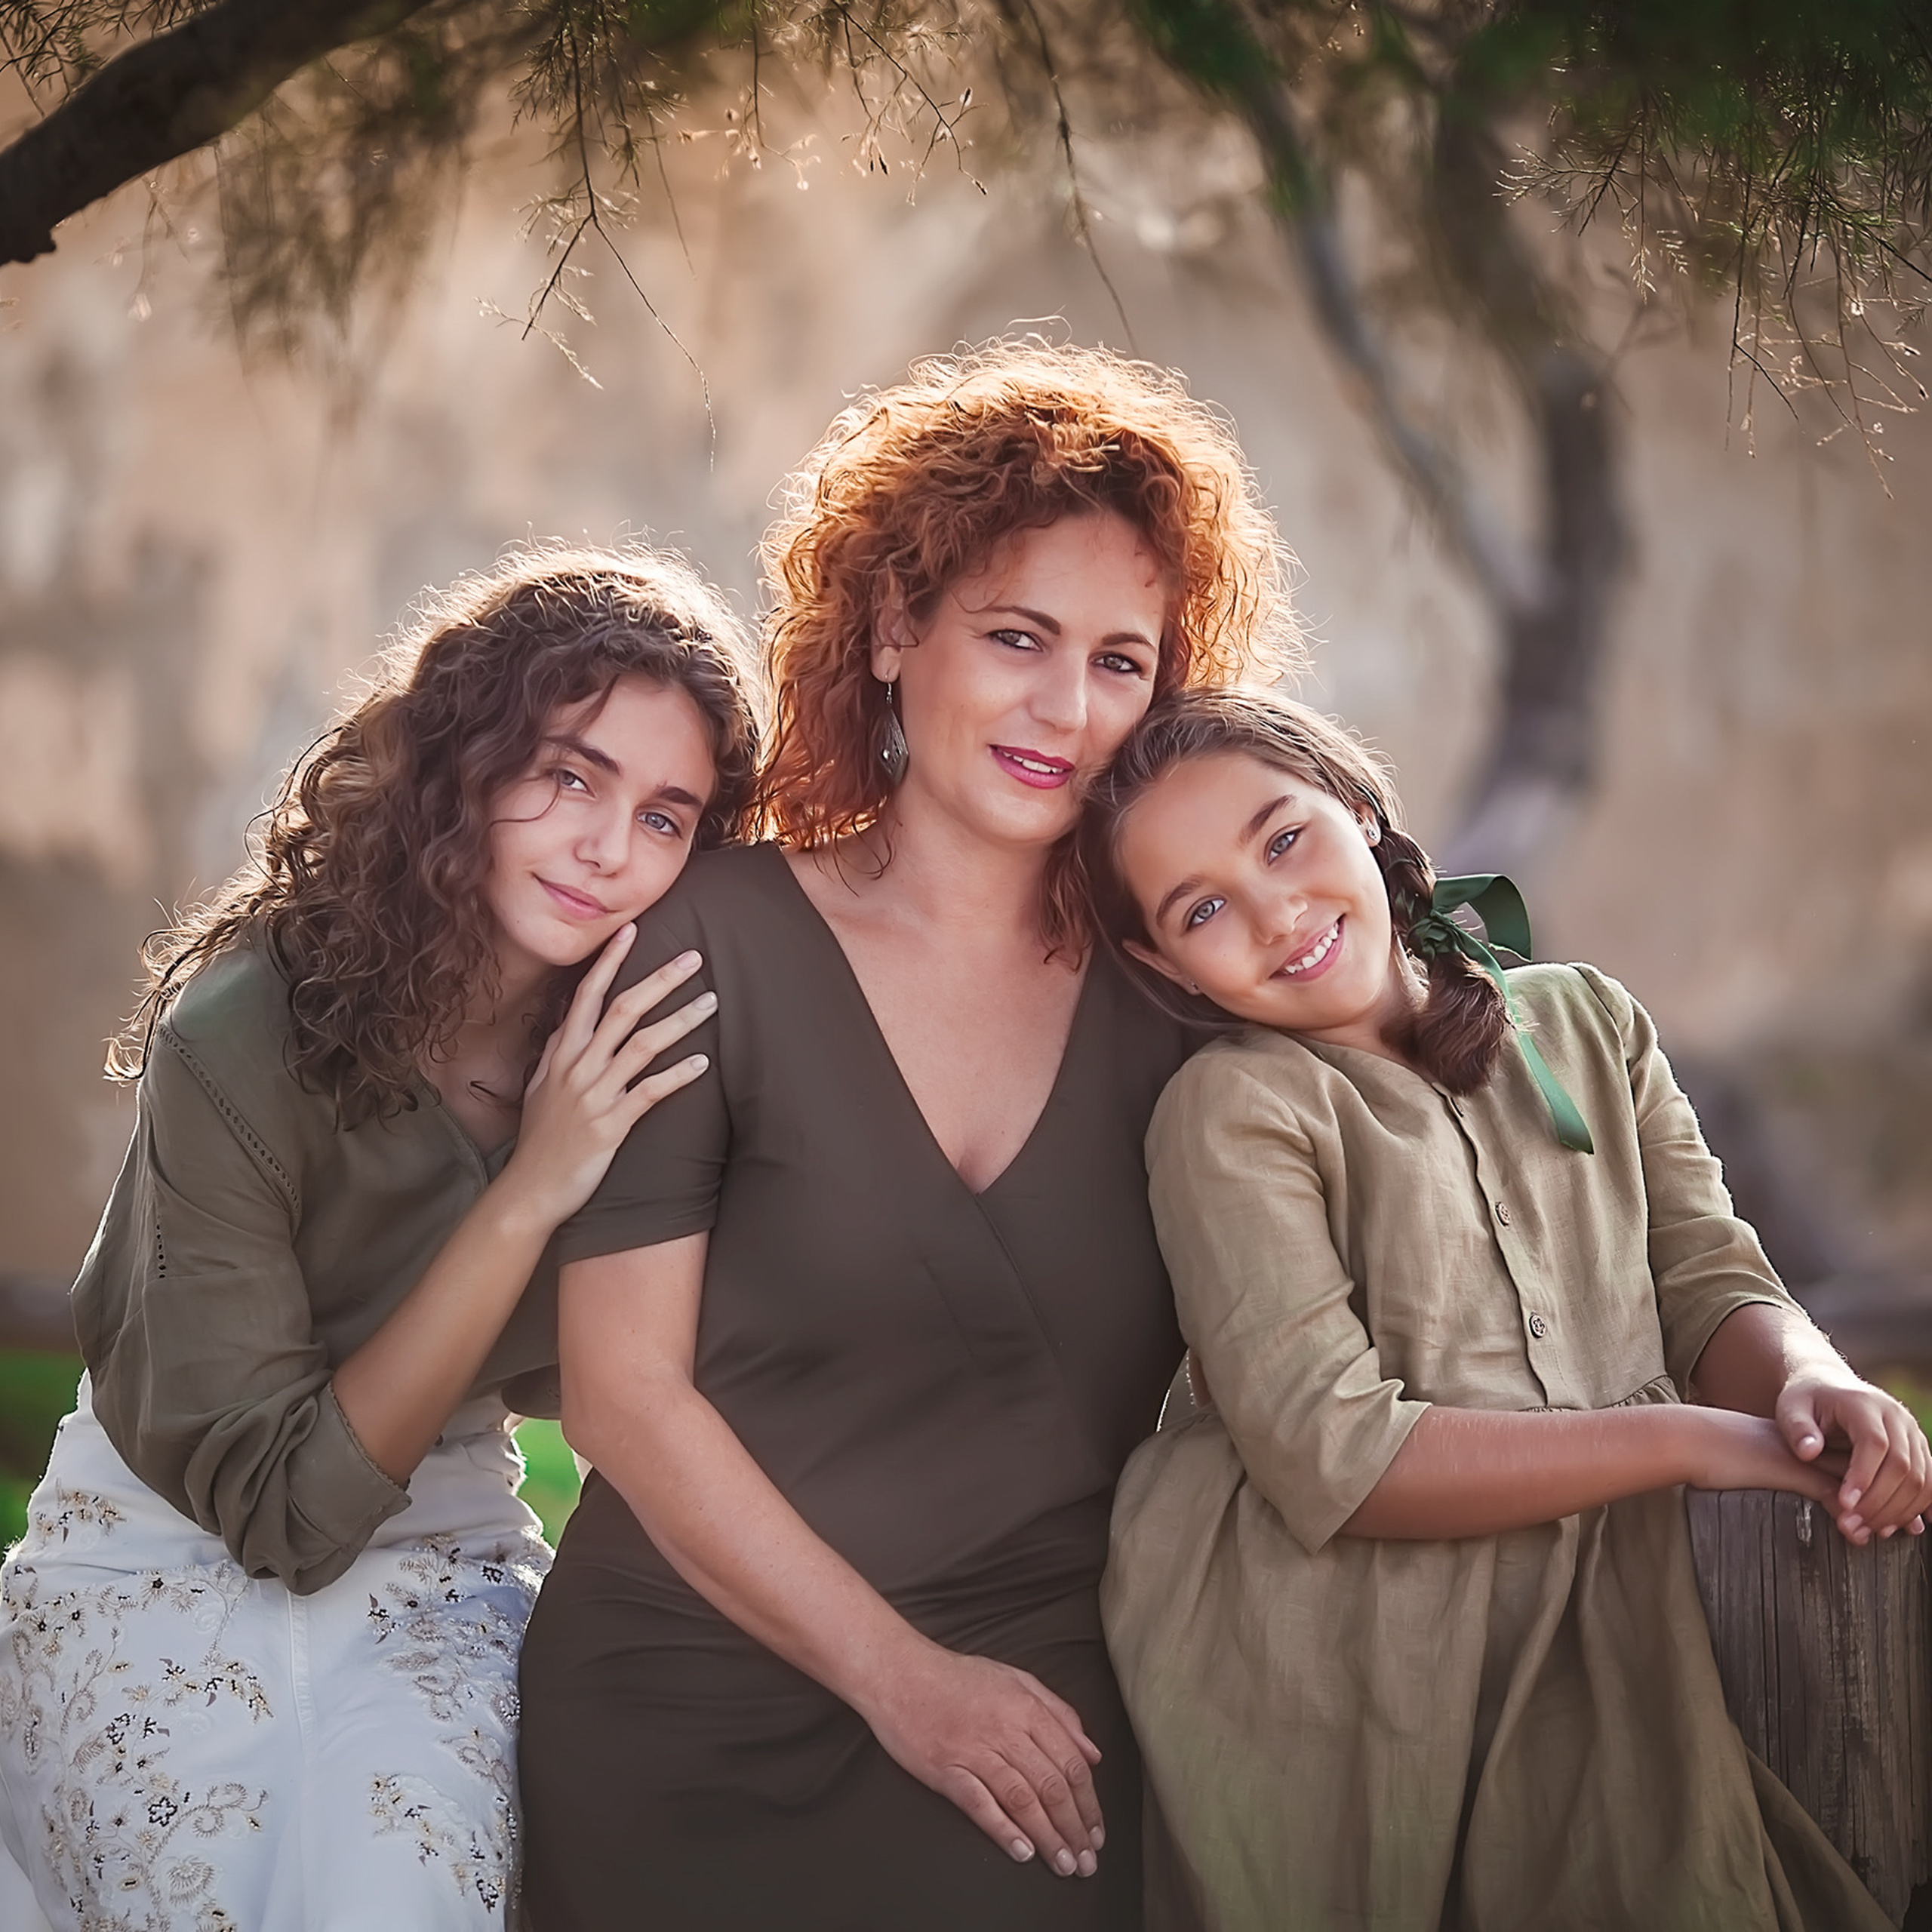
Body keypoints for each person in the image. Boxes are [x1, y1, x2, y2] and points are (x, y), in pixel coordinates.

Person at [515, 342, 1297, 1930]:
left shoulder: (1179, 990)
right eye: (1016, 637)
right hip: (682, 1689)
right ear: (892, 627)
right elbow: (617, 1390)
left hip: (1032, 1705)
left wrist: (1762, 1358)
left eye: (1119, 661)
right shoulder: (708, 937)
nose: (1062, 709)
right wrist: (900, 1681)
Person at [1078, 686, 1931, 1931]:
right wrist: (1697, 1440)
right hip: (1342, 1659)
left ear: (1363, 811)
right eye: (1203, 909)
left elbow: (1710, 1282)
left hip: (1601, 1606)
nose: (1276, 912)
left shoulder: (1590, 1024)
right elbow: (1341, 1459)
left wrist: (1809, 1381)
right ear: (1161, 961)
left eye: (1285, 839)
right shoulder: (1235, 1110)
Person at [0, 548, 761, 1932]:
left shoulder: (644, 1046)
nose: (608, 847)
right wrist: (532, 1185)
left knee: (407, 1888)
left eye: (666, 815)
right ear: (460, 766)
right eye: (570, 776)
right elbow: (284, 1517)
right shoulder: (240, 1035)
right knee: (210, 1887)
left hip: (444, 1549)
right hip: (167, 1536)